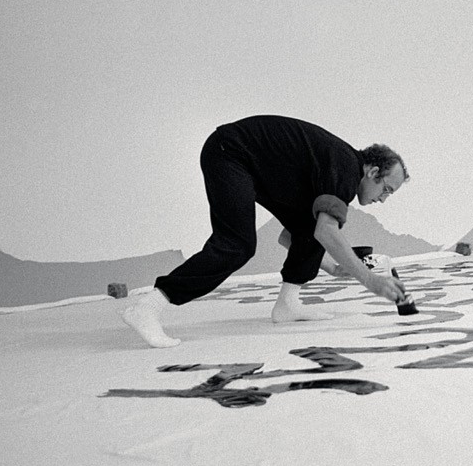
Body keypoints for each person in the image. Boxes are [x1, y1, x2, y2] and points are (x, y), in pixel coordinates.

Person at [121, 115, 409, 348]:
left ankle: (288, 304)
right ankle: (149, 306)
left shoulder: (339, 165)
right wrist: (370, 280)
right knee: (237, 244)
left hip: (254, 165)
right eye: (386, 190)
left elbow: (293, 236)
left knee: (308, 225)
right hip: (230, 152)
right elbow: (327, 232)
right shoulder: (345, 169)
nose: (383, 199)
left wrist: (333, 268)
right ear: (372, 172)